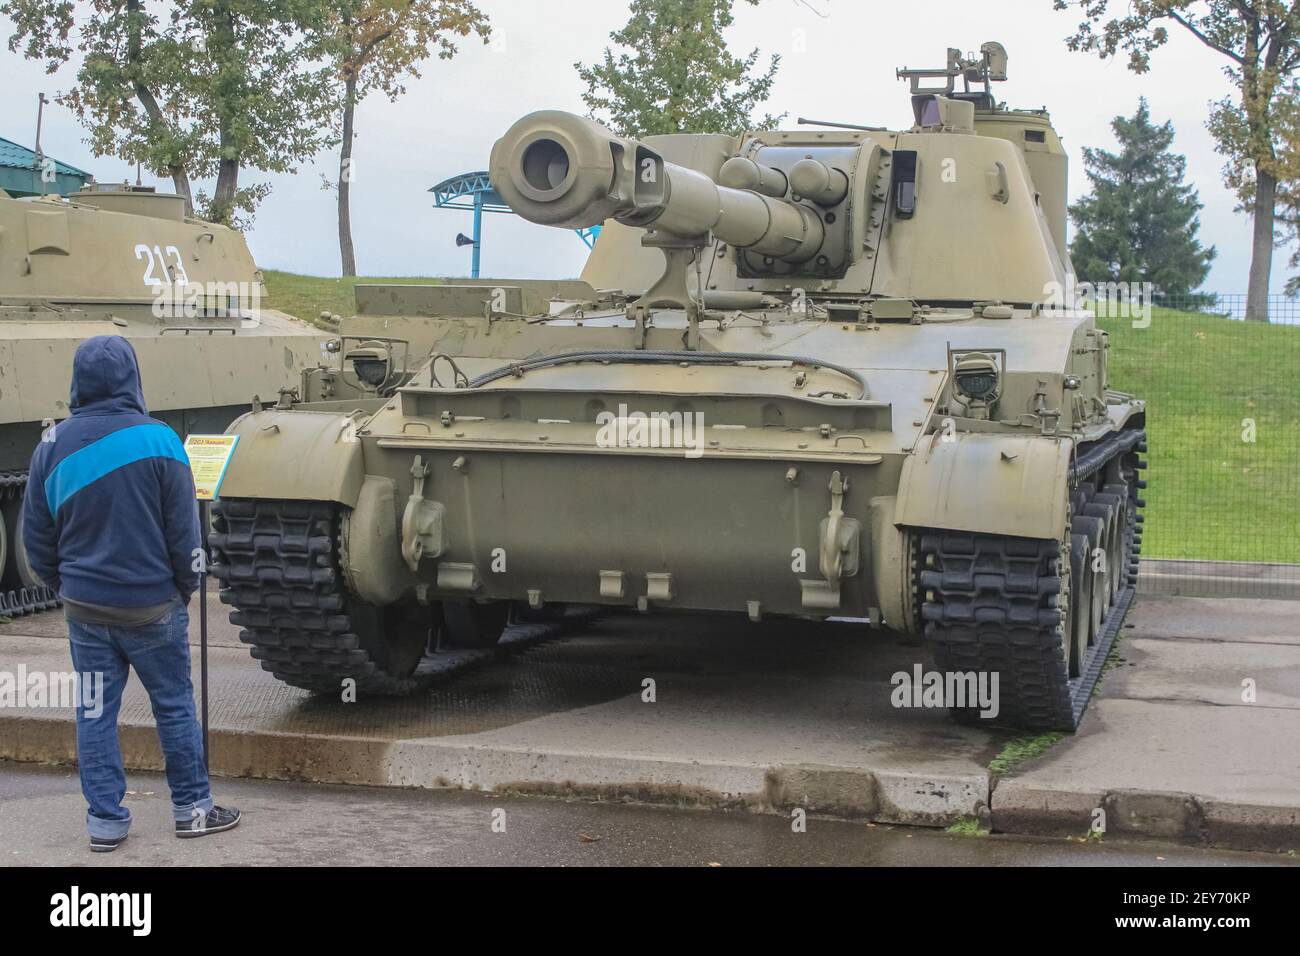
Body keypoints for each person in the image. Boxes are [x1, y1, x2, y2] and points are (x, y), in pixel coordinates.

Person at [22, 335, 241, 852]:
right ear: (131, 377)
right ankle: (192, 810)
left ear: (78, 380)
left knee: (94, 711)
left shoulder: (50, 446)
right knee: (173, 705)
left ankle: (105, 823)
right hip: (153, 608)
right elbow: (185, 536)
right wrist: (182, 592)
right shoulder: (161, 440)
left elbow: (37, 540)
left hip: (85, 609)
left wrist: (67, 587)